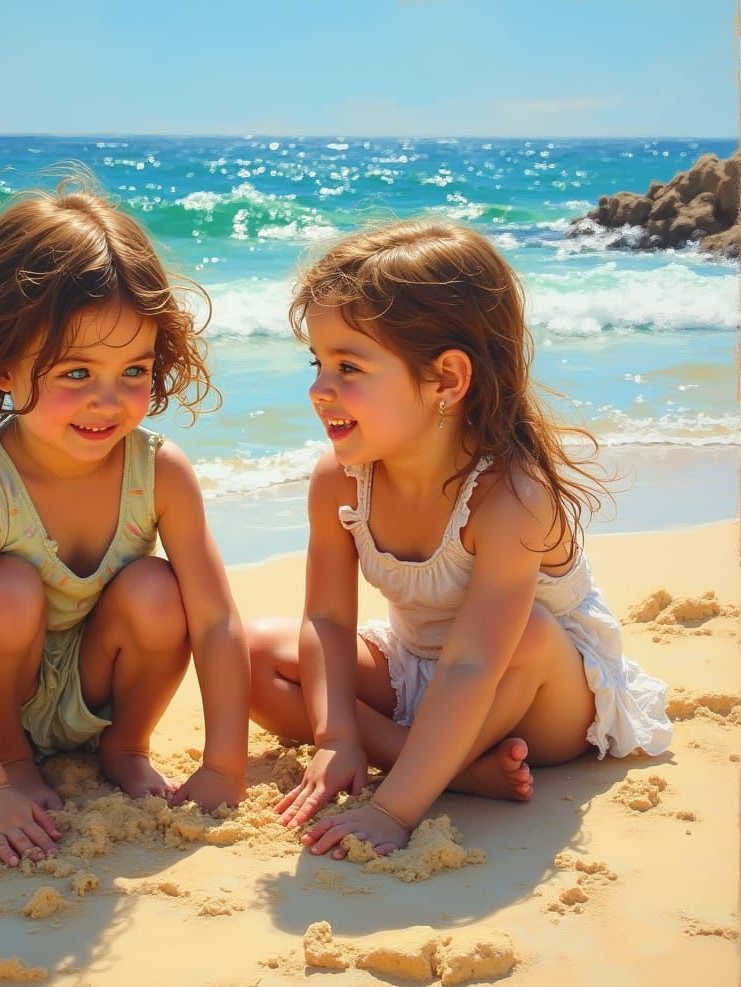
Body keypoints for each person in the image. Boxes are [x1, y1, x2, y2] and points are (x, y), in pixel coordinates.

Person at [248, 220, 672, 859]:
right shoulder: (340, 480)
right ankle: (451, 769)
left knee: (527, 632)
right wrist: (336, 735)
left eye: (348, 366)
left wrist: (392, 811)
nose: (319, 389)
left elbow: (477, 662)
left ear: (446, 379)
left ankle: (416, 774)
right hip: (422, 668)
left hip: (543, 696)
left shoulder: (511, 498)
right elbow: (330, 619)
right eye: (318, 362)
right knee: (254, 653)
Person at [0, 177, 250, 868]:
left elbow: (218, 622)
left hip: (94, 684)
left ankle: (124, 747)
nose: (109, 400)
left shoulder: (159, 471)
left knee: (161, 591)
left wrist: (224, 762)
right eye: (75, 372)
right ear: (3, 367)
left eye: (134, 369)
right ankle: (12, 760)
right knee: (9, 587)